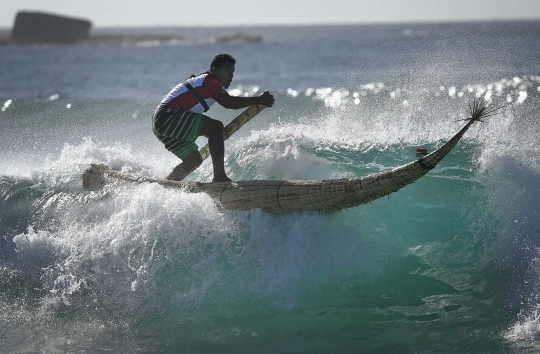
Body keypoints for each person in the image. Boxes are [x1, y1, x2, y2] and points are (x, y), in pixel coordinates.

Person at [152, 53, 274, 182]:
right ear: (215, 70)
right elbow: (229, 103)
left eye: (232, 73)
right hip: (167, 117)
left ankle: (168, 184)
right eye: (227, 71)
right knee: (215, 127)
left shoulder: (205, 80)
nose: (231, 77)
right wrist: (260, 99)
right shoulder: (211, 80)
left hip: (159, 124)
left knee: (194, 160)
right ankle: (219, 176)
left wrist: (214, 137)